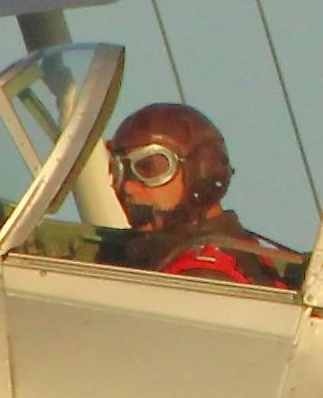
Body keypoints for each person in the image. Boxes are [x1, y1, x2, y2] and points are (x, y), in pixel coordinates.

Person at [96, 101, 303, 288]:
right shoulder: (245, 251)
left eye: (149, 167)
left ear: (201, 173)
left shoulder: (200, 278)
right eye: (118, 171)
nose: (128, 188)